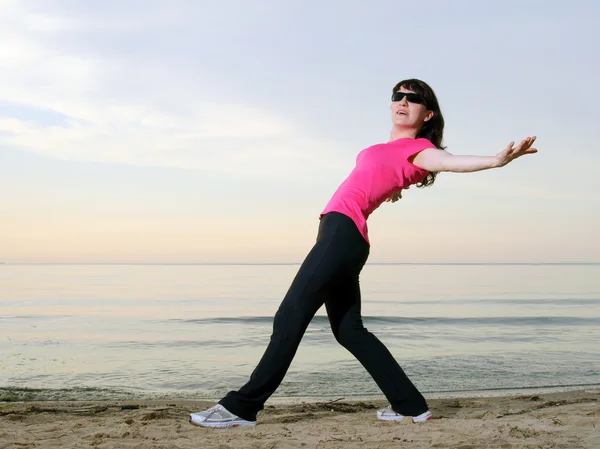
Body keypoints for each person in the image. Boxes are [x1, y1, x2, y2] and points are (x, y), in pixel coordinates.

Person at [190, 78, 538, 428]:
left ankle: (242, 407)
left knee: (290, 315)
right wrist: (393, 186)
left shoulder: (420, 149)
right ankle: (409, 405)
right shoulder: (388, 149)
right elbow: (381, 177)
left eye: (412, 98)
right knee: (350, 331)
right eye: (397, 95)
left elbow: (449, 161)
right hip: (343, 236)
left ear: (427, 114)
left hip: (342, 234)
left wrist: (495, 160)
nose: (402, 101)